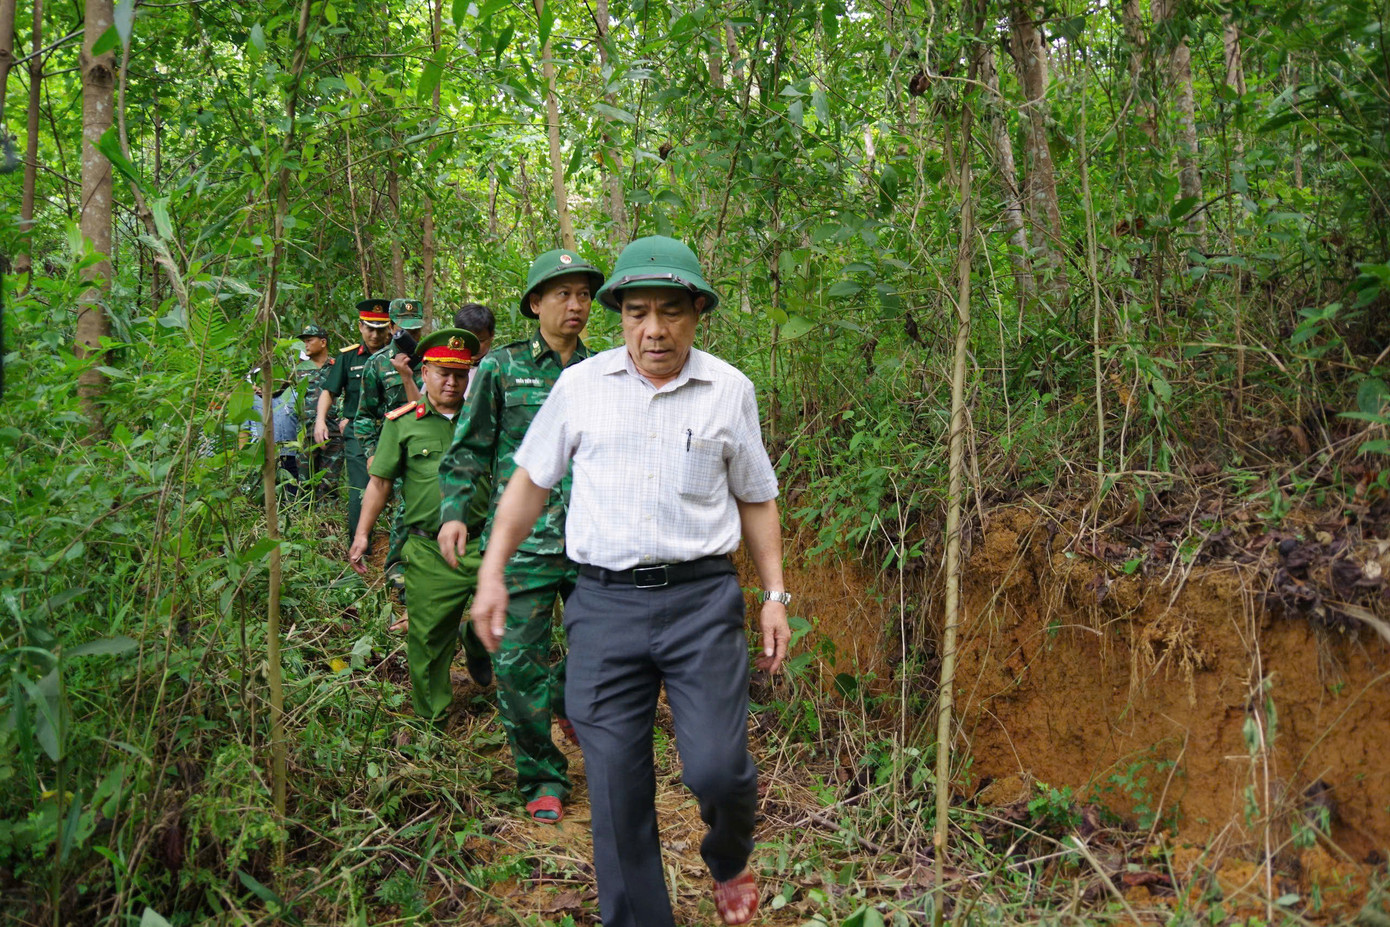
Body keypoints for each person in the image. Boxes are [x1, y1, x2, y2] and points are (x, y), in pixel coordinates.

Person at [467, 236, 791, 927]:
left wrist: (774, 595)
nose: (655, 329)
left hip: (701, 600)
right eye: (638, 311)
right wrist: (493, 569)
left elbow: (757, 496)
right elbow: (529, 482)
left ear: (697, 312)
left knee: (718, 769)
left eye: (672, 311)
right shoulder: (580, 388)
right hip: (604, 604)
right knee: (615, 788)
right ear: (619, 316)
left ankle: (728, 854)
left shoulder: (729, 390)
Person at [436, 249, 604, 823]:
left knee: (601, 654)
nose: (576, 304)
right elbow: (469, 450)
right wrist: (455, 512)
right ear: (535, 304)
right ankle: (542, 776)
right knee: (515, 663)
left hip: (591, 545)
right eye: (563, 293)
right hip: (525, 547)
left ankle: (564, 699)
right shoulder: (500, 369)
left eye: (583, 294)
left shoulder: (604, 371)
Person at [349, 328, 493, 726]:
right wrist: (362, 534)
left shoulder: (484, 420)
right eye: (443, 373)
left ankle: (478, 644)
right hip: (430, 550)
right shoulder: (402, 423)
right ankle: (435, 722)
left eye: (460, 374)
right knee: (428, 641)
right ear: (424, 372)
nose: (452, 382)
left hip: (486, 543)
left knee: (506, 619)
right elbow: (379, 483)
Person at [356, 298, 427, 599]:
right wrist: (372, 451)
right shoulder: (378, 364)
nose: (411, 335)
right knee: (405, 507)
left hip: (428, 444)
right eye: (404, 328)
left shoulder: (433, 359)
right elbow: (364, 416)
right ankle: (397, 571)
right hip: (394, 446)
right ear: (392, 327)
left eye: (416, 329)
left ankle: (422, 568)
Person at [317, 299, 392, 541]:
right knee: (360, 490)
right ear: (360, 327)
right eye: (370, 328)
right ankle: (361, 550)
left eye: (380, 329)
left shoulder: (397, 356)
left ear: (389, 328)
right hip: (358, 433)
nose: (374, 334)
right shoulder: (348, 358)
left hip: (393, 429)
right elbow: (329, 391)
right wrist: (320, 421)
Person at [295, 323, 341, 497]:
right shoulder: (298, 370)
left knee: (329, 485)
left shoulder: (337, 366)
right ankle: (305, 522)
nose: (305, 345)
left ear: (323, 342)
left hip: (333, 432)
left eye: (309, 340)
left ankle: (327, 522)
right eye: (303, 341)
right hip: (305, 433)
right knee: (304, 485)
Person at [243, 366, 301, 494]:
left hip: (292, 455)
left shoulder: (292, 395)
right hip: (264, 456)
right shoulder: (252, 400)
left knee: (292, 493)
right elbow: (244, 430)